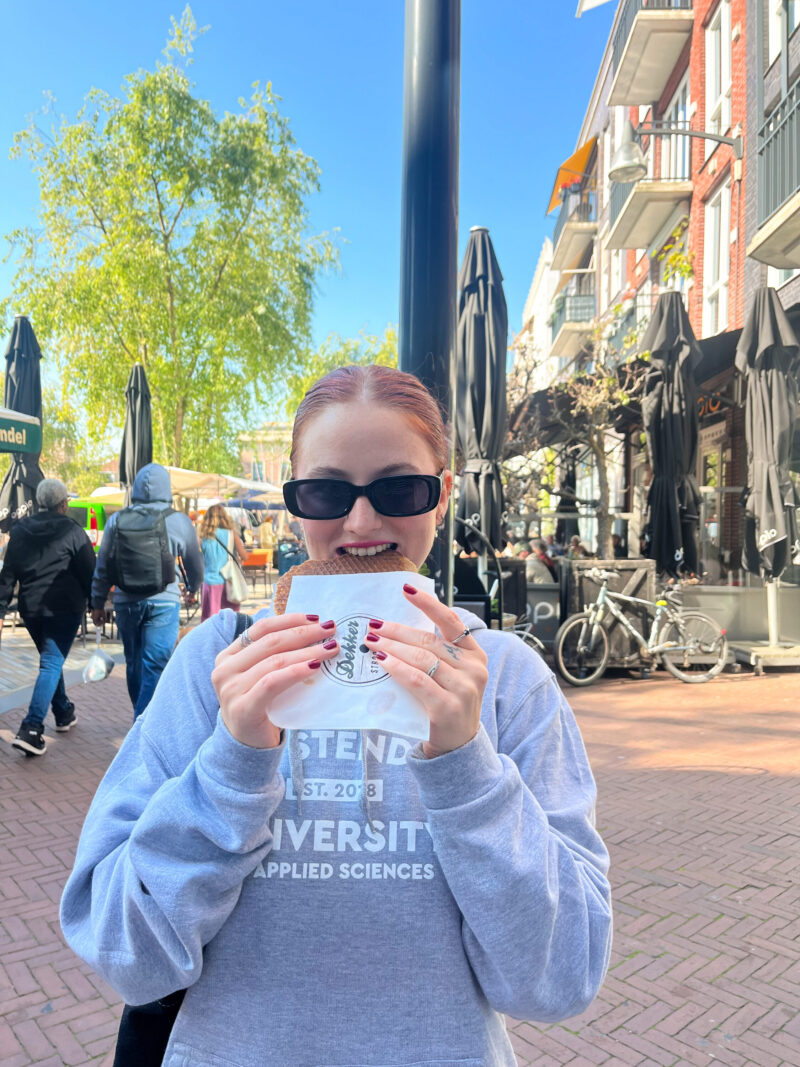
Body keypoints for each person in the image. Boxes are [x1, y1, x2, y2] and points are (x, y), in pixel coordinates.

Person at [61, 365, 612, 1066]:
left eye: (398, 488)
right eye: (325, 491)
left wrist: (468, 768)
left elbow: (559, 979)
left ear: (441, 496)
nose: (360, 521)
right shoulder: (216, 665)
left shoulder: (505, 681)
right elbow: (126, 954)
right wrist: (232, 762)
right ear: (295, 504)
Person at [90, 463, 203, 720]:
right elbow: (196, 565)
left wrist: (97, 602)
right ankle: (144, 724)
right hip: (164, 601)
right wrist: (193, 588)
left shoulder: (116, 520)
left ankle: (140, 717)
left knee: (134, 663)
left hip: (125, 602)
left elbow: (103, 564)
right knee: (155, 664)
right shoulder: (179, 521)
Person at [0, 478, 95, 756]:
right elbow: (89, 569)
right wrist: (96, 602)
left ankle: (63, 712)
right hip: (64, 609)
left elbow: (7, 575)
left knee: (50, 660)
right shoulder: (74, 531)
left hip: (31, 610)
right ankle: (31, 728)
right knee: (52, 663)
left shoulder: (21, 530)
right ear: (64, 504)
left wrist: (1, 609)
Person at [198, 502, 249, 620]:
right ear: (224, 517)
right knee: (229, 620)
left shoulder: (203, 536)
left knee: (210, 621)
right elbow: (244, 556)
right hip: (229, 581)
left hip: (210, 582)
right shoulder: (231, 534)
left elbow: (196, 554)